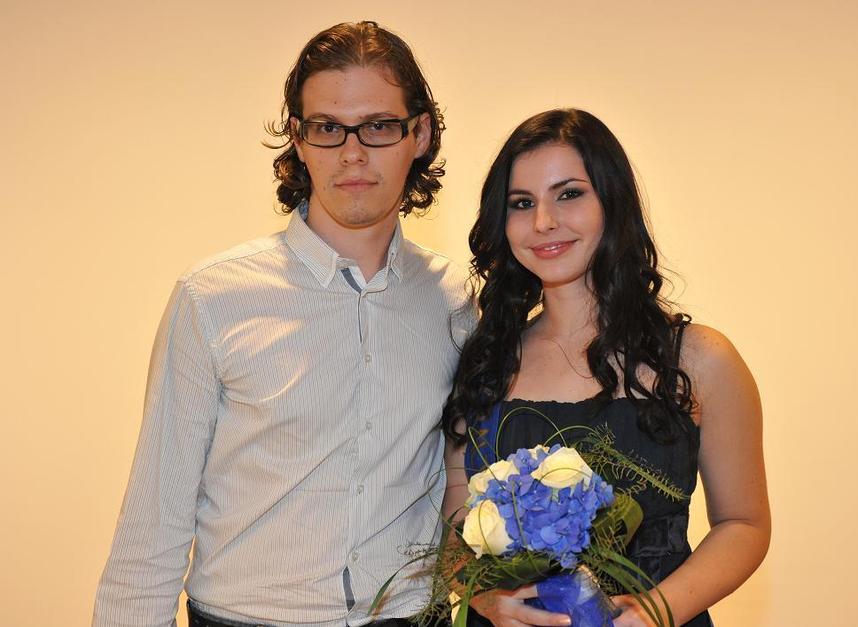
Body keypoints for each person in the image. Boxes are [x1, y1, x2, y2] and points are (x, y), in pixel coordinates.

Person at [94, 21, 471, 627]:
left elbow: (466, 480)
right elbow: (155, 519)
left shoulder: (455, 300)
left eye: (378, 126)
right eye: (327, 128)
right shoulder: (212, 297)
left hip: (409, 615)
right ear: (297, 137)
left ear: (419, 133)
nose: (352, 153)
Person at [441, 109, 770, 627]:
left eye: (569, 194)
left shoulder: (700, 359)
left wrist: (655, 612)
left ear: (613, 203)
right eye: (522, 203)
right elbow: (453, 530)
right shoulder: (484, 363)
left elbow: (744, 524)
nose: (544, 222)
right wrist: (484, 599)